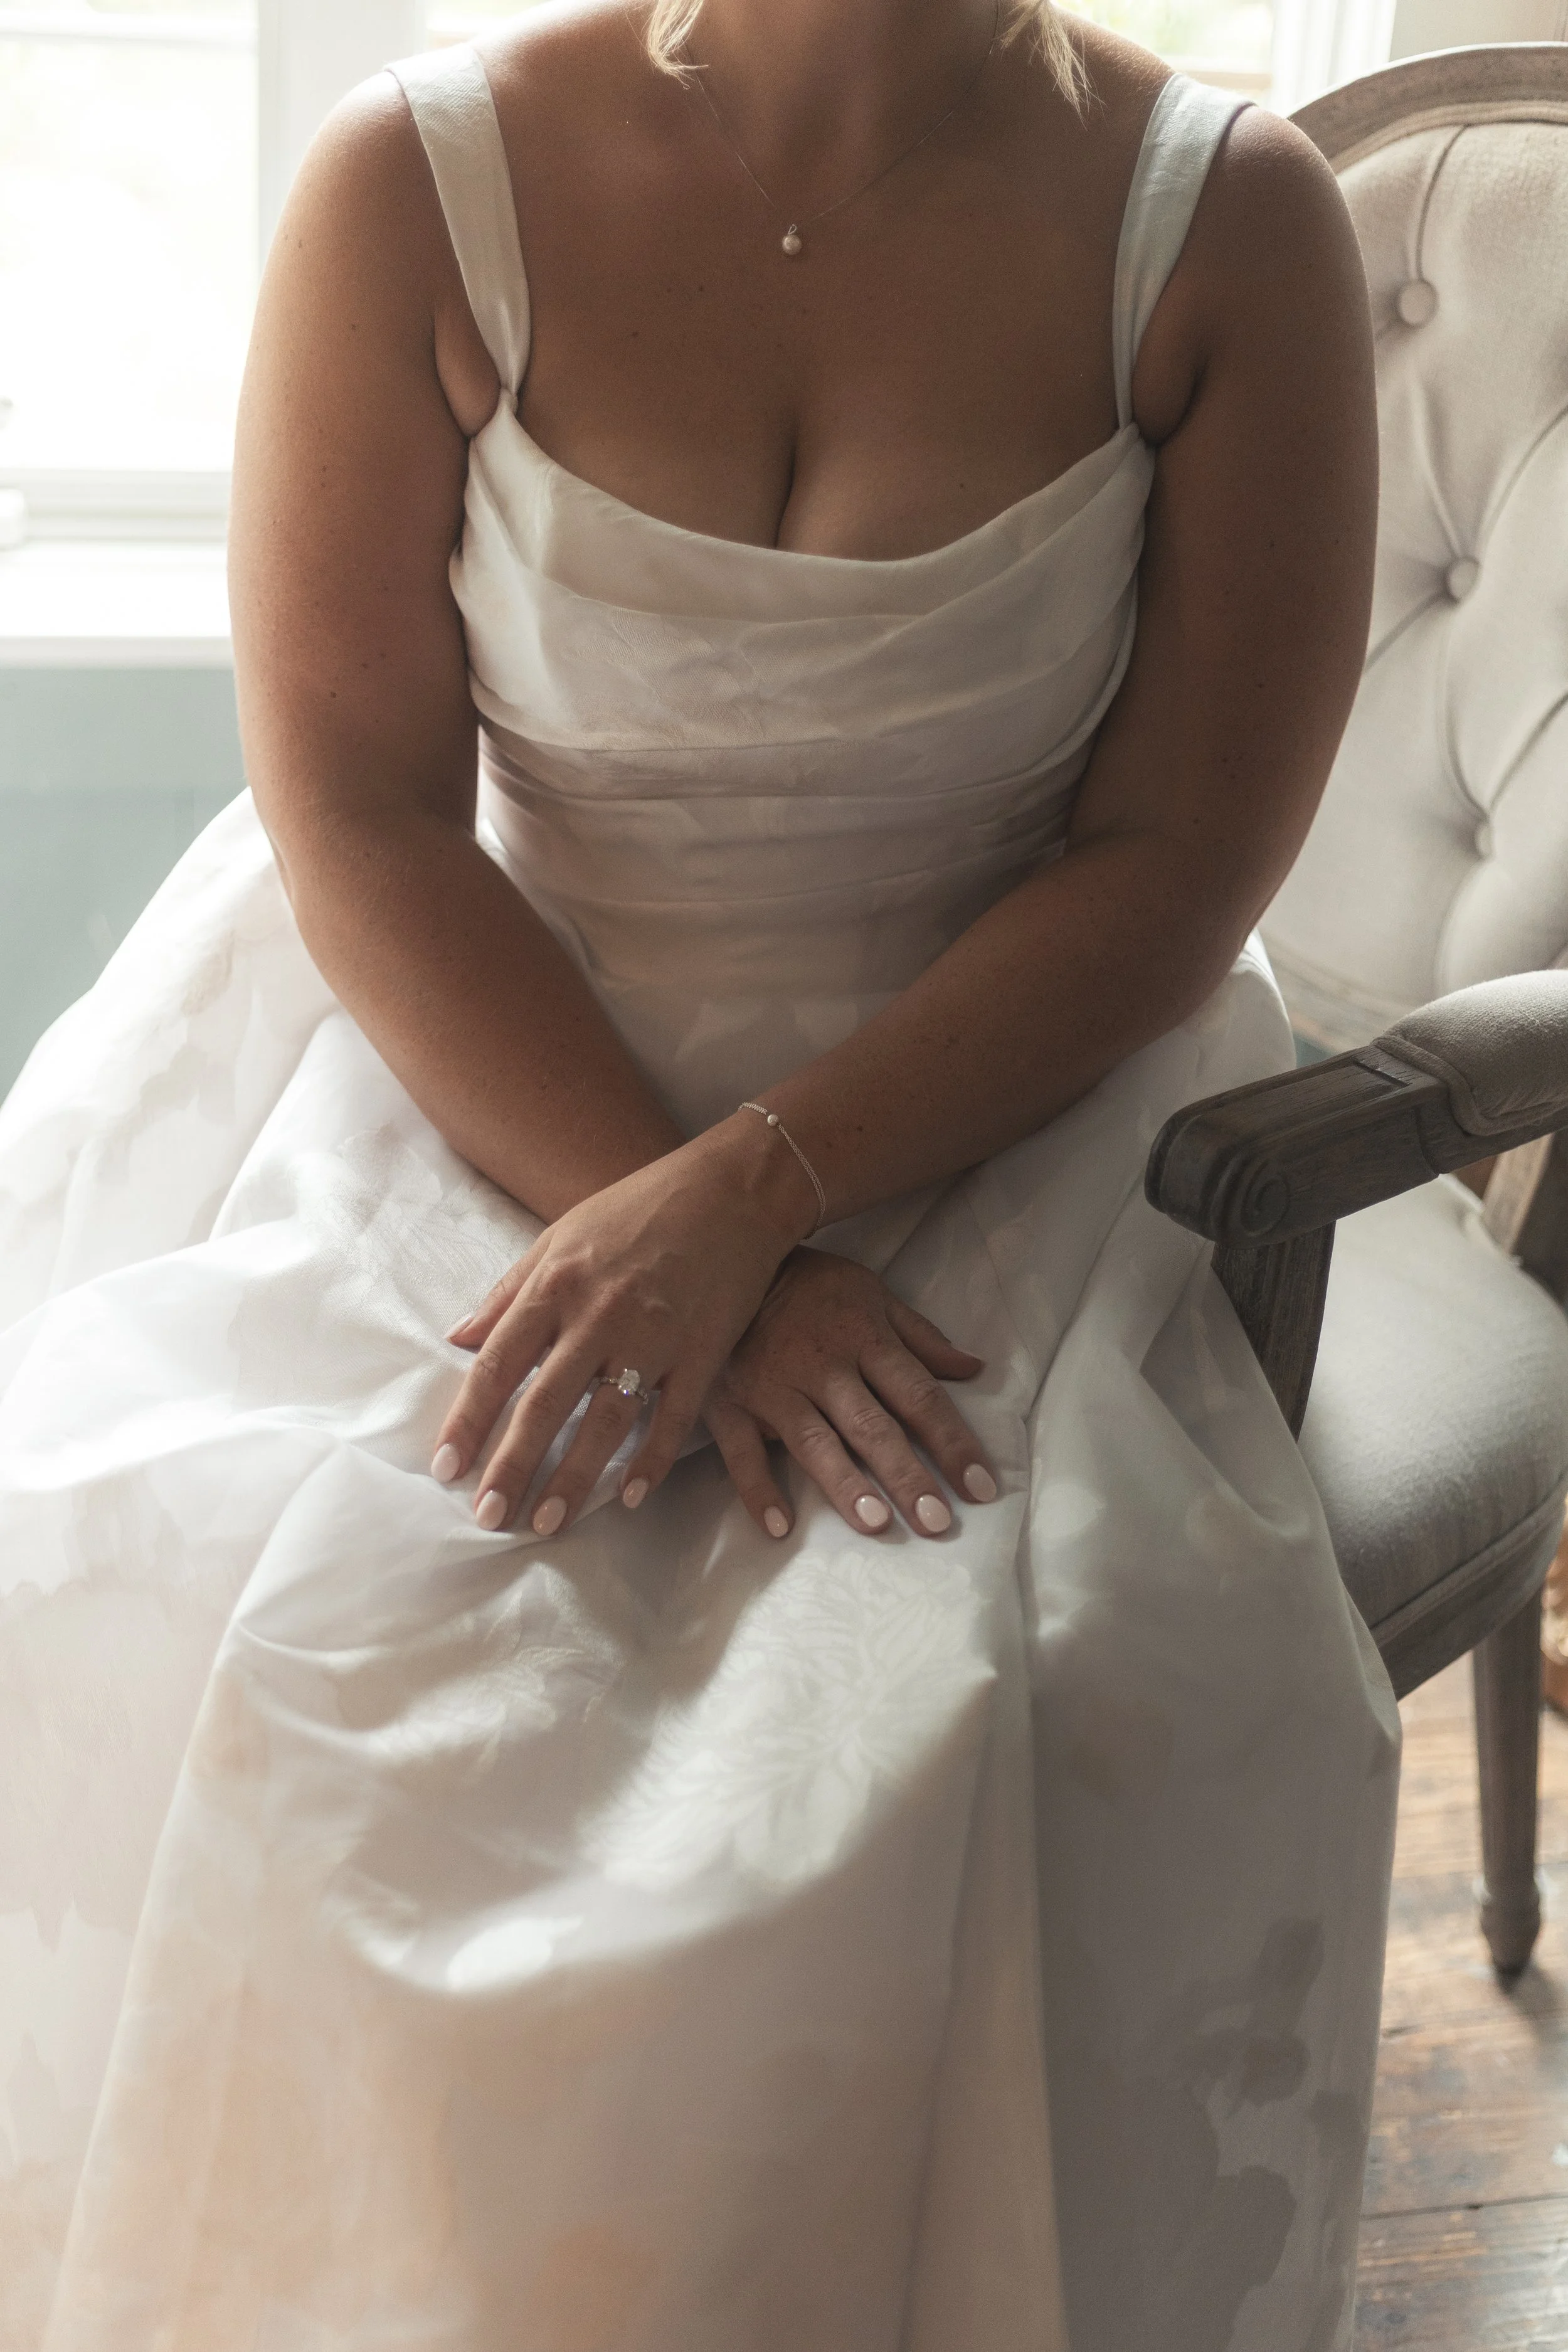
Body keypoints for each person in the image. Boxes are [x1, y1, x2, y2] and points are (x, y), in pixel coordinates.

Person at [0, 0, 1401, 2344]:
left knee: (978, 1694)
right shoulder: (414, 182)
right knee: (232, 1582)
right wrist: (654, 1222)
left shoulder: (1228, 225)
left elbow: (1174, 862)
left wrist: (754, 1200)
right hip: (487, 1049)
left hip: (998, 1088)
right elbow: (357, 805)